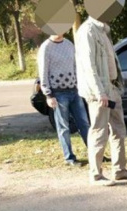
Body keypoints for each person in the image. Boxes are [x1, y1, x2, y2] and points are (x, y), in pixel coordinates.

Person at [75, 15, 127, 186]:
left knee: (119, 130)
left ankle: (120, 170)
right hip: (99, 92)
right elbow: (89, 67)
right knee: (99, 131)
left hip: (112, 87)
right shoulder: (87, 31)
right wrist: (99, 92)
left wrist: (116, 87)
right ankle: (95, 175)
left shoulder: (103, 29)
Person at [37, 32, 90, 166]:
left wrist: (81, 86)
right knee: (63, 127)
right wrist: (48, 94)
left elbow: (76, 66)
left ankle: (95, 153)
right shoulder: (46, 47)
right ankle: (69, 158)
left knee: (84, 123)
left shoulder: (69, 44)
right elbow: (43, 72)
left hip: (74, 90)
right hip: (58, 93)